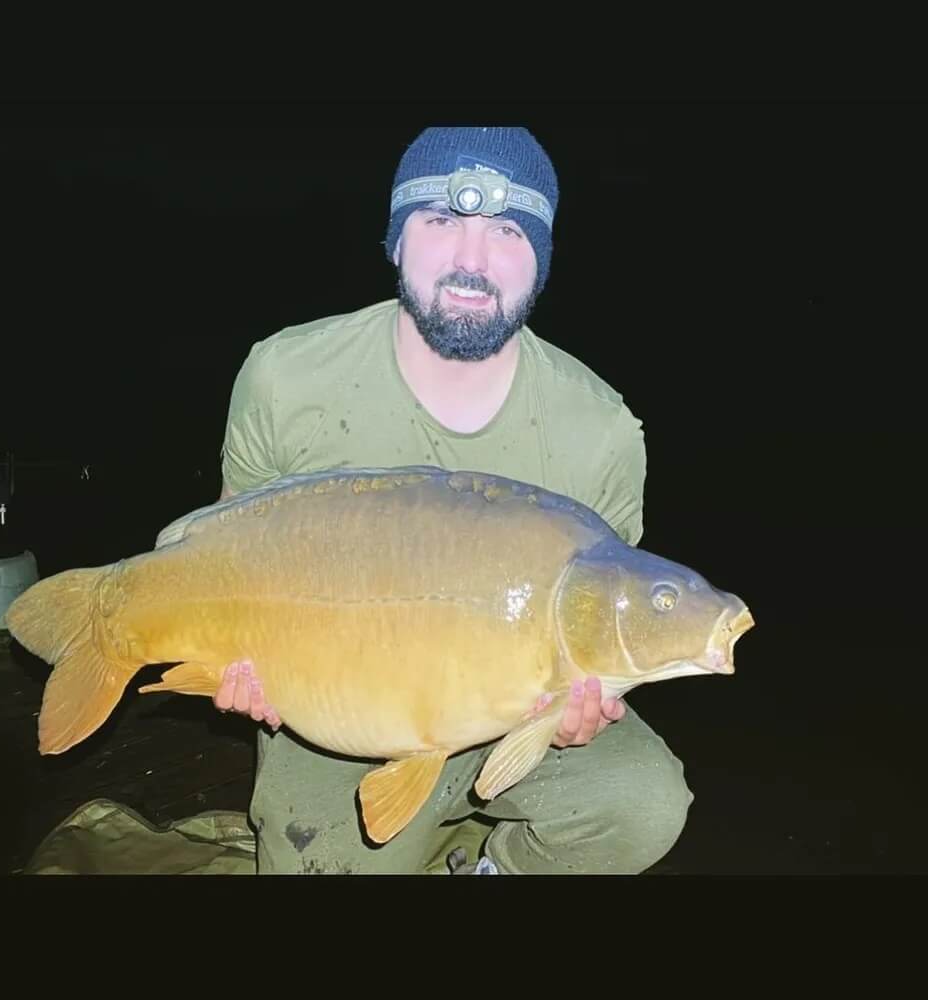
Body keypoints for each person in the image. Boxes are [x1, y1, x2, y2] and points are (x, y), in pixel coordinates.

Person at [210, 127, 692, 875]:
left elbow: (598, 631)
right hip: (341, 719)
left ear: (543, 260)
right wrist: (228, 662)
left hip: (516, 720)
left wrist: (579, 711)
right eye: (441, 222)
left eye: (506, 230)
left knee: (643, 801)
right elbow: (227, 562)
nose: (472, 260)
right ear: (397, 240)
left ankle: (489, 865)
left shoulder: (600, 431)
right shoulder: (287, 378)